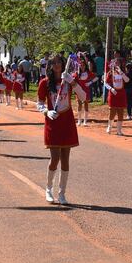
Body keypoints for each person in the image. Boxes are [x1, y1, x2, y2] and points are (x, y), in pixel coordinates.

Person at [37, 55, 87, 205]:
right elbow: (38, 103)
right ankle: (48, 189)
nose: (58, 65)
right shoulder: (44, 83)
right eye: (54, 63)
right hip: (53, 122)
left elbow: (83, 97)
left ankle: (62, 193)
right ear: (50, 66)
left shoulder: (69, 80)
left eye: (60, 62)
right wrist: (46, 111)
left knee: (65, 159)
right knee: (55, 158)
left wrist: (73, 82)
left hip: (67, 122)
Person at [104, 57, 129, 135]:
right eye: (116, 63)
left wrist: (121, 72)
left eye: (118, 63)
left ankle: (119, 130)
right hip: (113, 94)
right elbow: (105, 83)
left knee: (121, 112)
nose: (117, 64)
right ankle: (109, 127)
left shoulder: (123, 72)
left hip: (121, 94)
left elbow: (127, 80)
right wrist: (111, 89)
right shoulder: (110, 73)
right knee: (112, 111)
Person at [74, 58, 95, 126]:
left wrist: (90, 82)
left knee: (86, 104)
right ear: (79, 66)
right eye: (81, 65)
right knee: (79, 105)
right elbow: (72, 80)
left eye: (83, 65)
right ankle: (79, 120)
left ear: (85, 66)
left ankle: (85, 121)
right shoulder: (77, 73)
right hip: (79, 90)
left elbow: (96, 77)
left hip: (86, 90)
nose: (82, 66)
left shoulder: (88, 72)